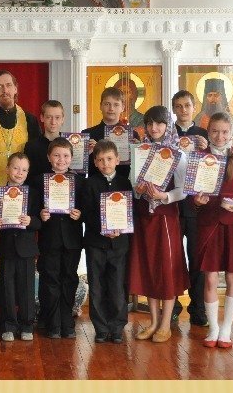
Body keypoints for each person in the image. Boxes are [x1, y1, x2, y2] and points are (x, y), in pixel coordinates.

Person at [128, 105, 189, 343]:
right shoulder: (140, 150)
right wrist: (138, 189)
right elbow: (133, 185)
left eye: (159, 123)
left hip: (165, 217)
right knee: (149, 268)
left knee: (166, 268)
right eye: (150, 123)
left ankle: (165, 324)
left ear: (168, 125)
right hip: (144, 216)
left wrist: (164, 196)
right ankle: (153, 322)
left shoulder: (177, 153)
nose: (154, 128)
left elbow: (184, 189)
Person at [194, 112, 233, 349]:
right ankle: (213, 328)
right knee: (210, 278)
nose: (220, 136)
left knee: (232, 277)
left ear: (231, 133)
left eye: (224, 132)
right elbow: (192, 194)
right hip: (209, 223)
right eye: (215, 131)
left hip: (232, 224)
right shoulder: (200, 157)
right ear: (208, 132)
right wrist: (196, 201)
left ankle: (227, 329)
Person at [81, 140, 133, 343]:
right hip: (96, 243)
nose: (105, 164)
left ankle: (117, 327)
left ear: (117, 160)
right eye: (101, 160)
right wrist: (104, 229)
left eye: (109, 159)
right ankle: (101, 328)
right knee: (97, 286)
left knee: (117, 285)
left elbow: (130, 212)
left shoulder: (125, 183)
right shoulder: (89, 183)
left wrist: (119, 228)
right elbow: (87, 213)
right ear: (95, 162)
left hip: (119, 244)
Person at [32, 137, 84, 339]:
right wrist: (40, 214)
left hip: (72, 239)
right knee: (49, 278)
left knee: (69, 278)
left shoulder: (79, 181)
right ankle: (52, 321)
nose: (61, 160)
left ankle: (66, 319)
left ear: (71, 158)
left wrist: (80, 214)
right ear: (48, 157)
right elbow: (31, 209)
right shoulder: (39, 181)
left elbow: (88, 209)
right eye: (56, 155)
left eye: (65, 156)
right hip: (49, 238)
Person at [171, 90, 210, 327]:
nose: (183, 110)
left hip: (197, 207)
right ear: (173, 109)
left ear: (194, 107)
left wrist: (206, 150)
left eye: (187, 105)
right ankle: (173, 306)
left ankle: (198, 308)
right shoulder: (168, 134)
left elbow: (213, 166)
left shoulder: (204, 135)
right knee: (173, 258)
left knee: (198, 259)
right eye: (178, 106)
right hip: (174, 205)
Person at [0, 153, 41, 342]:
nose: (19, 173)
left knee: (26, 288)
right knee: (7, 287)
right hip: (6, 247)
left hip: (26, 248)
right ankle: (8, 326)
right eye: (15, 168)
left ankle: (27, 325)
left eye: (24, 170)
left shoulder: (33, 194)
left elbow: (40, 222)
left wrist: (31, 221)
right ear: (7, 169)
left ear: (28, 172)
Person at [82, 86, 138, 180]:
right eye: (107, 104)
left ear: (123, 107)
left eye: (116, 105)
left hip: (124, 185)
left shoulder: (132, 135)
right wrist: (91, 152)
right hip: (95, 185)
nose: (111, 108)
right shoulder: (88, 134)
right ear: (100, 106)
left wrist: (138, 150)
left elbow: (137, 168)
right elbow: (80, 170)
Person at [193, 77, 233, 146]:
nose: (213, 99)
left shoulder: (229, 118)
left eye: (216, 95)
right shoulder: (199, 117)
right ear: (206, 98)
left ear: (222, 97)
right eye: (209, 95)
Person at [24, 100, 65, 179]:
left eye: (57, 117)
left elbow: (79, 174)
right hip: (39, 187)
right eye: (49, 117)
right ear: (42, 118)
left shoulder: (70, 144)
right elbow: (28, 176)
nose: (53, 122)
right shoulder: (31, 146)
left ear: (62, 119)